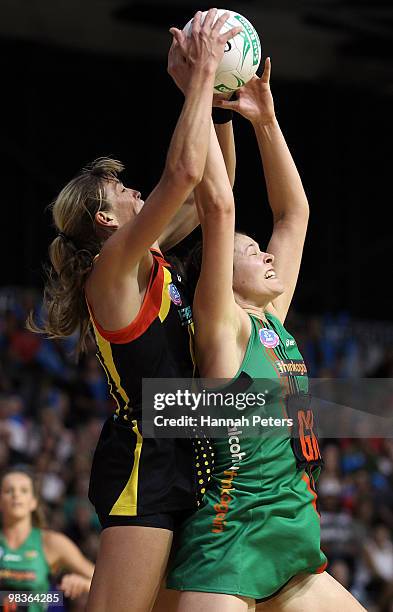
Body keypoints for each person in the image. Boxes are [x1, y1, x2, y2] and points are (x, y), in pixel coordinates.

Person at [28, 9, 242, 612]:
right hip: (144, 453)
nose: (134, 190)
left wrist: (220, 101)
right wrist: (197, 78)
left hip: (184, 439)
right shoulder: (113, 267)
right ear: (104, 219)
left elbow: (209, 198)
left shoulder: (145, 253)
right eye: (122, 191)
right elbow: (182, 172)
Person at [166, 59, 367, 611]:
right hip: (230, 541)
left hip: (295, 541)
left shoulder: (271, 316)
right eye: (247, 250)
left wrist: (265, 121)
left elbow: (293, 214)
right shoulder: (222, 325)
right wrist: (202, 95)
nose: (262, 251)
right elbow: (218, 206)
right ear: (216, 273)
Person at [0, 466, 94, 611]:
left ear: (34, 502)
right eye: (8, 490)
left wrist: (85, 584)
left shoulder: (51, 543)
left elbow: (103, 579)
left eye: (23, 491)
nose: (16, 495)